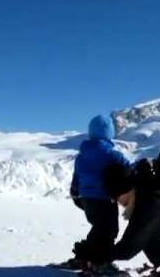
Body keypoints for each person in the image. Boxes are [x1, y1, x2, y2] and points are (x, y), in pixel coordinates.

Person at [61, 114, 132, 274]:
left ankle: (84, 256)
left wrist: (77, 195)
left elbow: (76, 177)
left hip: (85, 200)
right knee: (109, 231)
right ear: (109, 133)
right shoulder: (111, 154)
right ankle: (101, 263)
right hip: (104, 199)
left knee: (99, 229)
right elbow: (129, 168)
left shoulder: (81, 155)